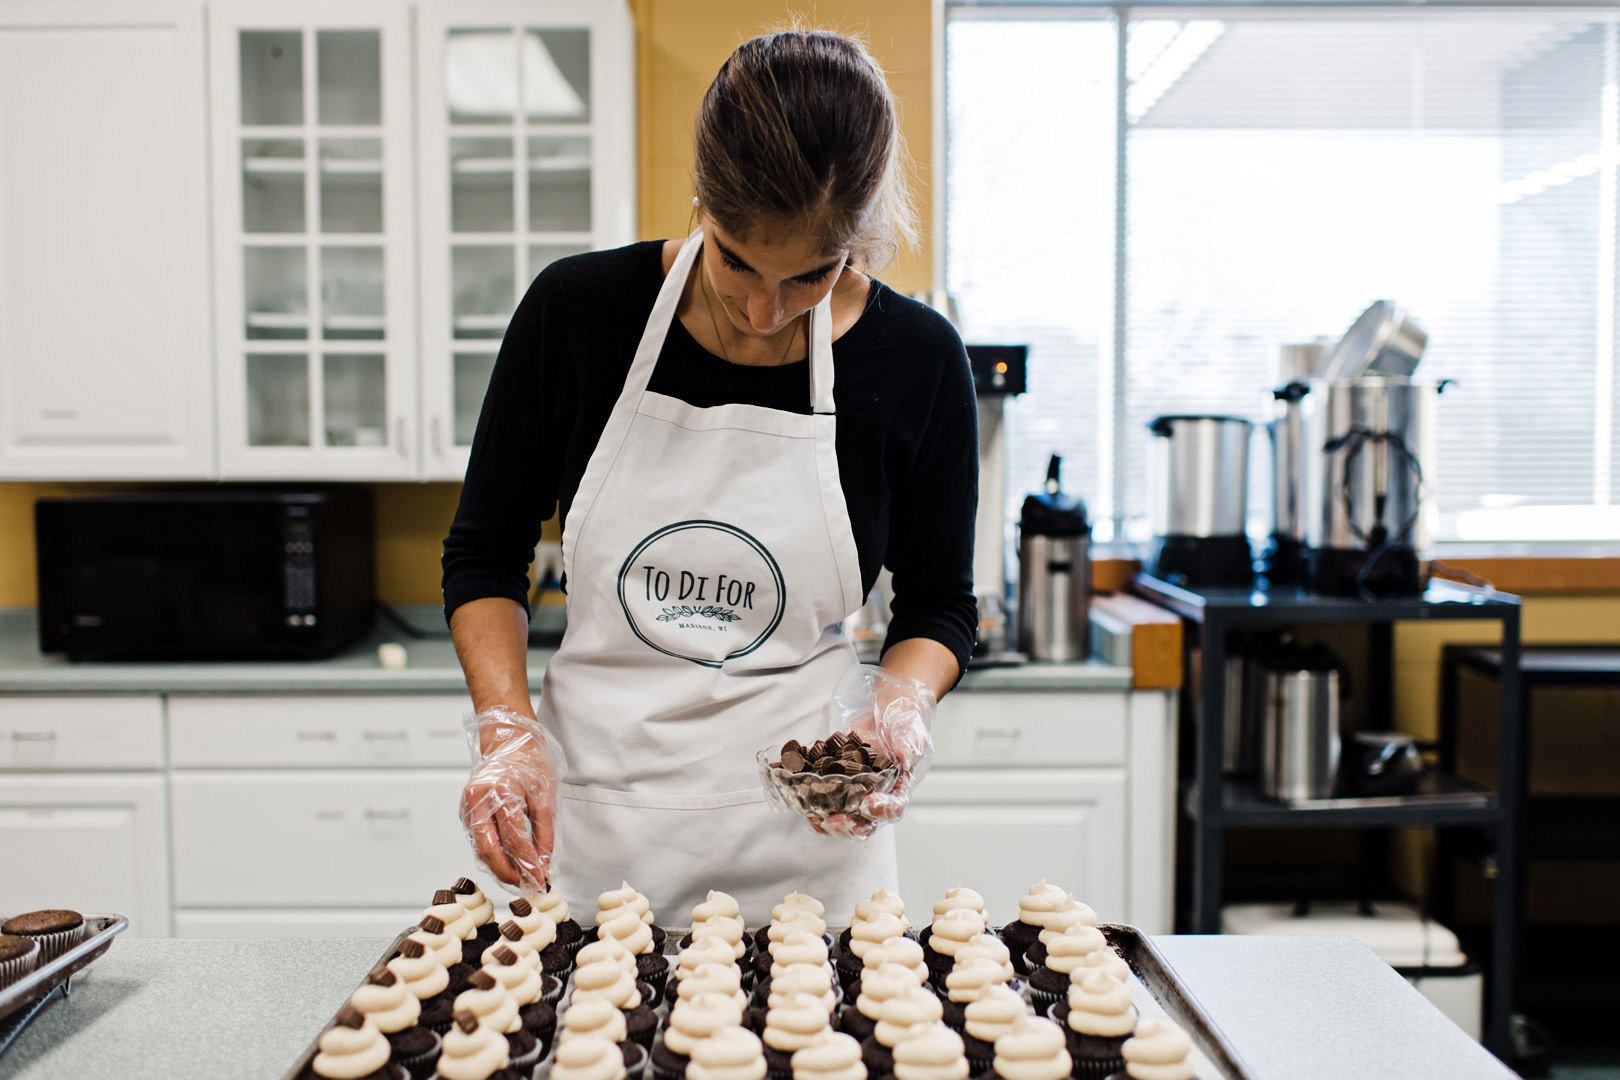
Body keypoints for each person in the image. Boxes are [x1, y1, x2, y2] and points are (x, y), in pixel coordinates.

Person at [441, 28, 977, 923]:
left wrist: (899, 704)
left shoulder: (916, 359)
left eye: (811, 273)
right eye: (736, 259)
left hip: (813, 853)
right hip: (599, 842)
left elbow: (938, 608)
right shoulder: (577, 313)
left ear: (860, 240)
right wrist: (505, 729)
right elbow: (485, 553)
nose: (765, 312)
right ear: (701, 202)